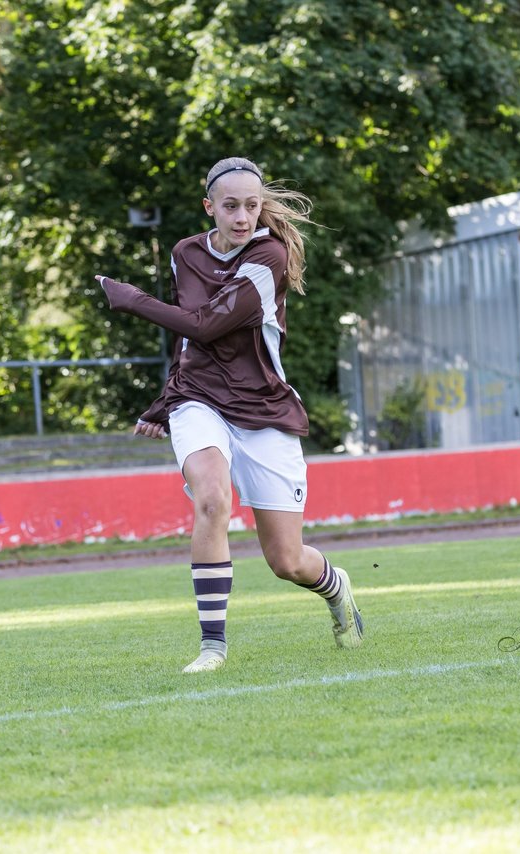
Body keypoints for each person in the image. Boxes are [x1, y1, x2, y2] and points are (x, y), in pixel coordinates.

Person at [96, 157, 363, 673]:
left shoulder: (270, 255)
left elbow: (207, 325)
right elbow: (188, 339)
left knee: (287, 561)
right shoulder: (185, 253)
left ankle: (336, 587)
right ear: (209, 207)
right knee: (213, 498)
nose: (243, 216)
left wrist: (132, 301)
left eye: (252, 206)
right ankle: (212, 648)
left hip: (263, 408)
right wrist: (167, 398)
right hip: (199, 398)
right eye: (231, 206)